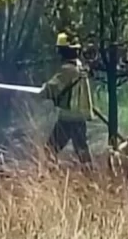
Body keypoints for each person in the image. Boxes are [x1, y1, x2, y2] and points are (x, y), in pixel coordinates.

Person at [39, 31, 94, 166]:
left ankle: (49, 178)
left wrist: (41, 92)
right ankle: (91, 179)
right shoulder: (80, 67)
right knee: (82, 153)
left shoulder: (67, 70)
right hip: (79, 118)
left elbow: (51, 89)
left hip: (68, 118)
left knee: (49, 150)